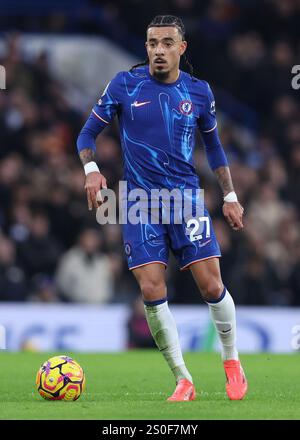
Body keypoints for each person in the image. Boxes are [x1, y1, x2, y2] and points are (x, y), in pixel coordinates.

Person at [77, 15, 247, 401]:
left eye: (167, 43)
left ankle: (232, 360)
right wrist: (91, 169)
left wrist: (231, 195)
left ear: (181, 48)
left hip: (185, 201)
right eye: (152, 42)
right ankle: (183, 379)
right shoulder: (124, 84)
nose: (158, 50)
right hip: (139, 203)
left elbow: (215, 147)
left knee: (211, 285)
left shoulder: (199, 92)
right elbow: (87, 132)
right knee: (152, 289)